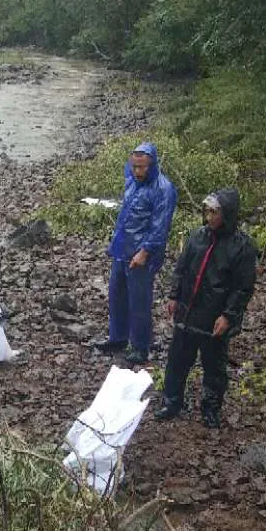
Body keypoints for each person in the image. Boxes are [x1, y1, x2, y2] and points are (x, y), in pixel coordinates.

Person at [154, 188, 258, 428]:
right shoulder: (197, 237)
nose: (209, 217)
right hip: (188, 312)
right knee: (177, 361)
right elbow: (181, 268)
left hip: (214, 319)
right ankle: (172, 402)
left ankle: (211, 408)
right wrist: (173, 295)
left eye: (215, 212)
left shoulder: (242, 247)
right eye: (207, 211)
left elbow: (243, 288)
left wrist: (228, 316)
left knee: (214, 367)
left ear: (227, 215)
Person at [96, 142, 177, 365]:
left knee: (139, 301)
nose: (137, 171)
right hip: (122, 249)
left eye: (142, 167)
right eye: (135, 166)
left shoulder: (163, 189)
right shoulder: (133, 181)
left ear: (152, 165)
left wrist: (145, 251)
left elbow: (160, 226)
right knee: (117, 294)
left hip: (142, 254)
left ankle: (141, 347)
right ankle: (118, 338)